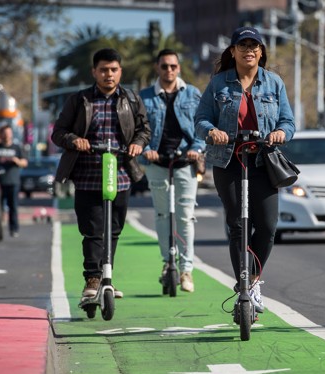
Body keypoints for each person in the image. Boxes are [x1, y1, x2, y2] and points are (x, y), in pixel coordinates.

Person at [195, 27, 295, 312]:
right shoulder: (219, 84)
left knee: (267, 226)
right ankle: (242, 279)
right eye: (243, 45)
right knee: (239, 224)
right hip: (229, 160)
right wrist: (212, 131)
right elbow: (201, 119)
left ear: (261, 52)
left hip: (264, 160)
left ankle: (252, 280)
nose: (249, 50)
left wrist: (280, 134)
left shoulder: (273, 83)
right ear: (233, 52)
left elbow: (288, 121)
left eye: (254, 46)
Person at [51, 48, 151, 301]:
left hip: (121, 174)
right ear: (94, 72)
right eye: (103, 70)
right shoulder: (80, 100)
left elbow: (144, 130)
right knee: (93, 230)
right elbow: (58, 132)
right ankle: (93, 279)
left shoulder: (130, 99)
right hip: (87, 175)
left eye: (113, 70)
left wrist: (138, 143)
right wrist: (75, 140)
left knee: (114, 230)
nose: (109, 74)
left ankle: (107, 277)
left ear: (120, 71)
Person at [139, 49, 204, 293]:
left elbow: (201, 125)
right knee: (162, 214)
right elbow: (138, 129)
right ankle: (168, 263)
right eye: (164, 66)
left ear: (179, 68)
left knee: (185, 215)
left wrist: (197, 148)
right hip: (157, 161)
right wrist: (146, 149)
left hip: (185, 161)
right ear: (158, 68)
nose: (169, 70)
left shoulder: (192, 93)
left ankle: (186, 269)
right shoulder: (145, 97)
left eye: (173, 66)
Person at [0, 124, 27, 238]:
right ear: (1, 134)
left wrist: (17, 161)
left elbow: (25, 162)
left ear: (11, 134)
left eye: (8, 133)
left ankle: (14, 228)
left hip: (13, 181)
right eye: (4, 133)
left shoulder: (16, 148)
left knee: (13, 207)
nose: (6, 135)